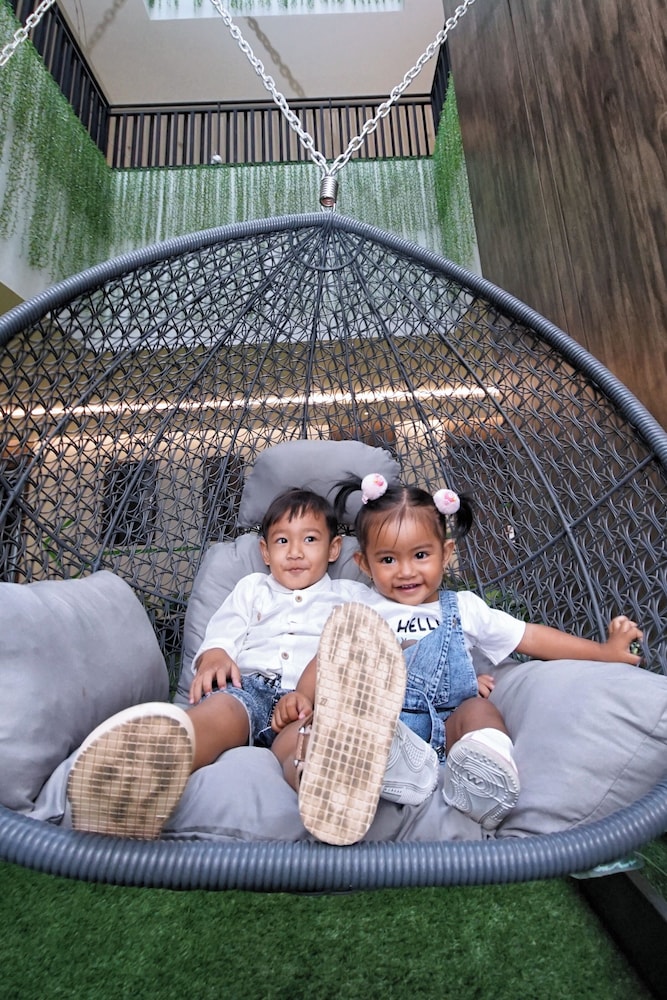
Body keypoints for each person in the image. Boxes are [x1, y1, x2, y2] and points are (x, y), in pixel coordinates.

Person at [272, 472, 644, 833]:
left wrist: (603, 652)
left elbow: (529, 637)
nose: (405, 571)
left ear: (446, 553)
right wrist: (303, 696)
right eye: (387, 560)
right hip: (376, 727)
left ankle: (483, 781)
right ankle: (345, 777)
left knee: (479, 711)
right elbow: (328, 658)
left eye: (420, 555)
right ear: (365, 564)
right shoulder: (362, 609)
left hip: (448, 726)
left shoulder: (464, 608)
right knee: (298, 734)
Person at [66, 487, 438, 842]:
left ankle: (326, 785)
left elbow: (388, 630)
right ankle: (147, 768)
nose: (295, 552)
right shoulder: (252, 588)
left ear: (333, 548)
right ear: (265, 551)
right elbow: (222, 634)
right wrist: (215, 655)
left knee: (305, 742)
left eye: (310, 539)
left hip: (310, 703)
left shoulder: (351, 596)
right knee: (220, 713)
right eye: (282, 541)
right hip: (250, 688)